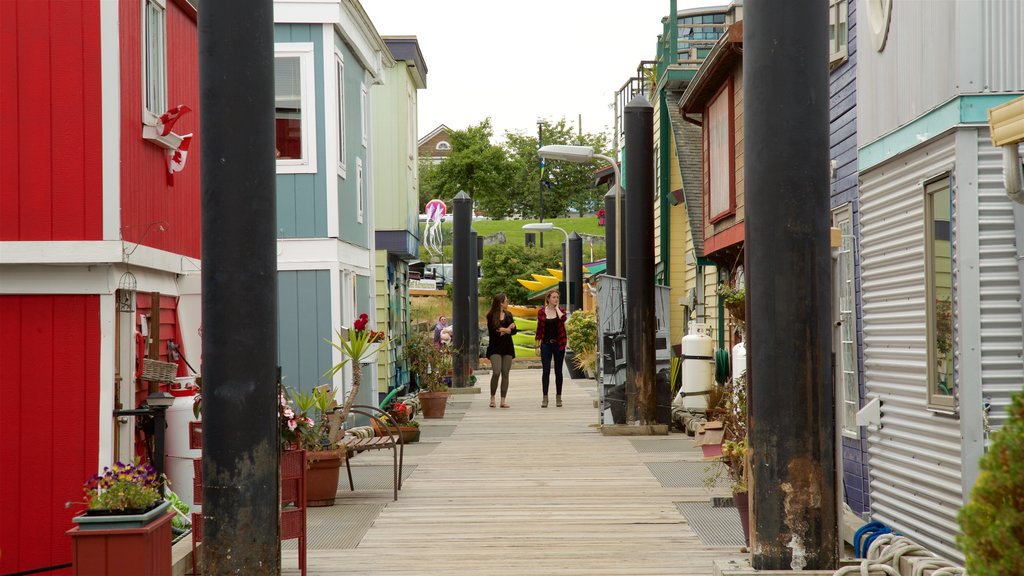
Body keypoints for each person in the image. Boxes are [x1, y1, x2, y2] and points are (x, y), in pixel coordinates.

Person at [535, 290, 567, 408]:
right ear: (548, 298)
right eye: (553, 297)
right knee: (546, 370)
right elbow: (539, 329)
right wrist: (537, 344)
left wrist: (557, 308)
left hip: (558, 344)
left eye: (557, 297)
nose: (556, 299)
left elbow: (563, 319)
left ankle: (559, 397)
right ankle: (545, 397)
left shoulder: (561, 311)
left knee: (558, 371)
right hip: (546, 344)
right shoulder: (541, 312)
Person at [485, 293, 516, 408]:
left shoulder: (509, 314)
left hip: (507, 347)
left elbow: (514, 330)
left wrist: (505, 330)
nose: (508, 302)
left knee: (505, 373)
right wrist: (508, 329)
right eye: (506, 301)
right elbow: (494, 332)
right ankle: (492, 397)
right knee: (496, 372)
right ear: (501, 302)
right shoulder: (491, 315)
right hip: (495, 348)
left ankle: (503, 400)